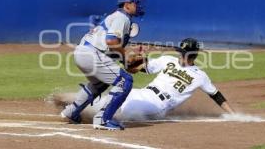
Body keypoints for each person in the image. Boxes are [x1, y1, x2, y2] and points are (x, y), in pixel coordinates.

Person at [61, 0, 147, 130]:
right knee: (125, 81)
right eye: (137, 3)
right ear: (127, 4)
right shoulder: (122, 18)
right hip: (91, 54)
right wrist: (127, 54)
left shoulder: (118, 17)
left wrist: (129, 59)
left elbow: (112, 51)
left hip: (83, 53)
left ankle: (71, 111)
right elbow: (112, 41)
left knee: (100, 84)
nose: (139, 6)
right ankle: (102, 119)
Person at [88, 38, 235, 120]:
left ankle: (103, 120)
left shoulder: (200, 76)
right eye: (180, 52)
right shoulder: (167, 59)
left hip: (159, 104)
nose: (180, 56)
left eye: (184, 53)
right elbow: (135, 69)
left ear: (192, 56)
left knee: (127, 110)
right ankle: (76, 109)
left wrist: (234, 115)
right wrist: (136, 57)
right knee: (112, 96)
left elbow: (216, 95)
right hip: (143, 93)